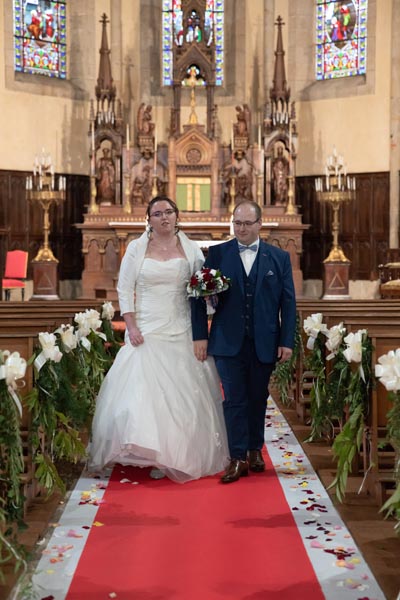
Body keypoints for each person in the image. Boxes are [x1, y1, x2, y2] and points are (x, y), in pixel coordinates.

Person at [89, 196, 229, 482]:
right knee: (144, 392)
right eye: (157, 213)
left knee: (181, 396)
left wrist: (207, 315)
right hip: (147, 328)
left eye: (169, 212)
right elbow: (125, 288)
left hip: (181, 327)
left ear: (177, 216)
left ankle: (173, 455)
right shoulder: (136, 248)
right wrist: (131, 325)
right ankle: (148, 449)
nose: (164, 217)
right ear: (149, 219)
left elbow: (200, 290)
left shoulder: (191, 249)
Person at [191, 200, 296, 484]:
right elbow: (197, 296)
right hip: (227, 341)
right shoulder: (217, 253)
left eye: (247, 223)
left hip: (265, 341)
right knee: (234, 399)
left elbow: (288, 303)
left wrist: (286, 340)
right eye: (237, 223)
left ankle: (254, 449)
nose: (241, 229)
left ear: (260, 224)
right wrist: (200, 335)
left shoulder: (279, 258)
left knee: (258, 397)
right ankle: (237, 457)